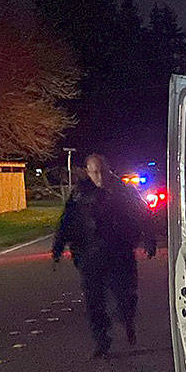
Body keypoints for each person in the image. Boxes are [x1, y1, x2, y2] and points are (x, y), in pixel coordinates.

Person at [52, 154, 156, 359]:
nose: (100, 177)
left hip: (120, 253)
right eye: (95, 172)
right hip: (89, 255)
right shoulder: (79, 194)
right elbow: (66, 221)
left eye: (103, 171)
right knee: (94, 302)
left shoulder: (124, 191)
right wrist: (58, 247)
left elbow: (142, 214)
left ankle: (127, 321)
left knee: (125, 294)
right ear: (88, 173)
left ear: (109, 170)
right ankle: (102, 342)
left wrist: (149, 239)